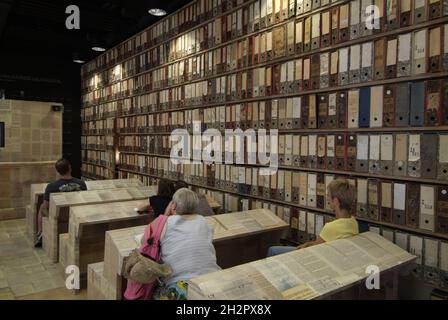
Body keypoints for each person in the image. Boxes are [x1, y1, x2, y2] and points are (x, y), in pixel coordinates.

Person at [151, 188, 220, 300]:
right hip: (211, 279)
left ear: (173, 206)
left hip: (181, 286)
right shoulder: (203, 221)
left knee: (154, 292)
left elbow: (146, 240)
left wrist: (166, 213)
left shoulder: (164, 222)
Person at [267, 178, 359, 257]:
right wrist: (308, 244)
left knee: (273, 250)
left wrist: (305, 245)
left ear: (335, 201)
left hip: (316, 257)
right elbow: (318, 243)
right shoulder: (353, 222)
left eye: (328, 196)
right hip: (333, 256)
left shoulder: (331, 227)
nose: (327, 198)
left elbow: (313, 248)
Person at [35, 158, 87, 247]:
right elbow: (85, 199)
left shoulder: (51, 186)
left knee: (42, 207)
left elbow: (45, 206)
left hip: (60, 216)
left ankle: (40, 232)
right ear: (70, 168)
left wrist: (49, 216)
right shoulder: (81, 183)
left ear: (58, 171)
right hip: (77, 214)